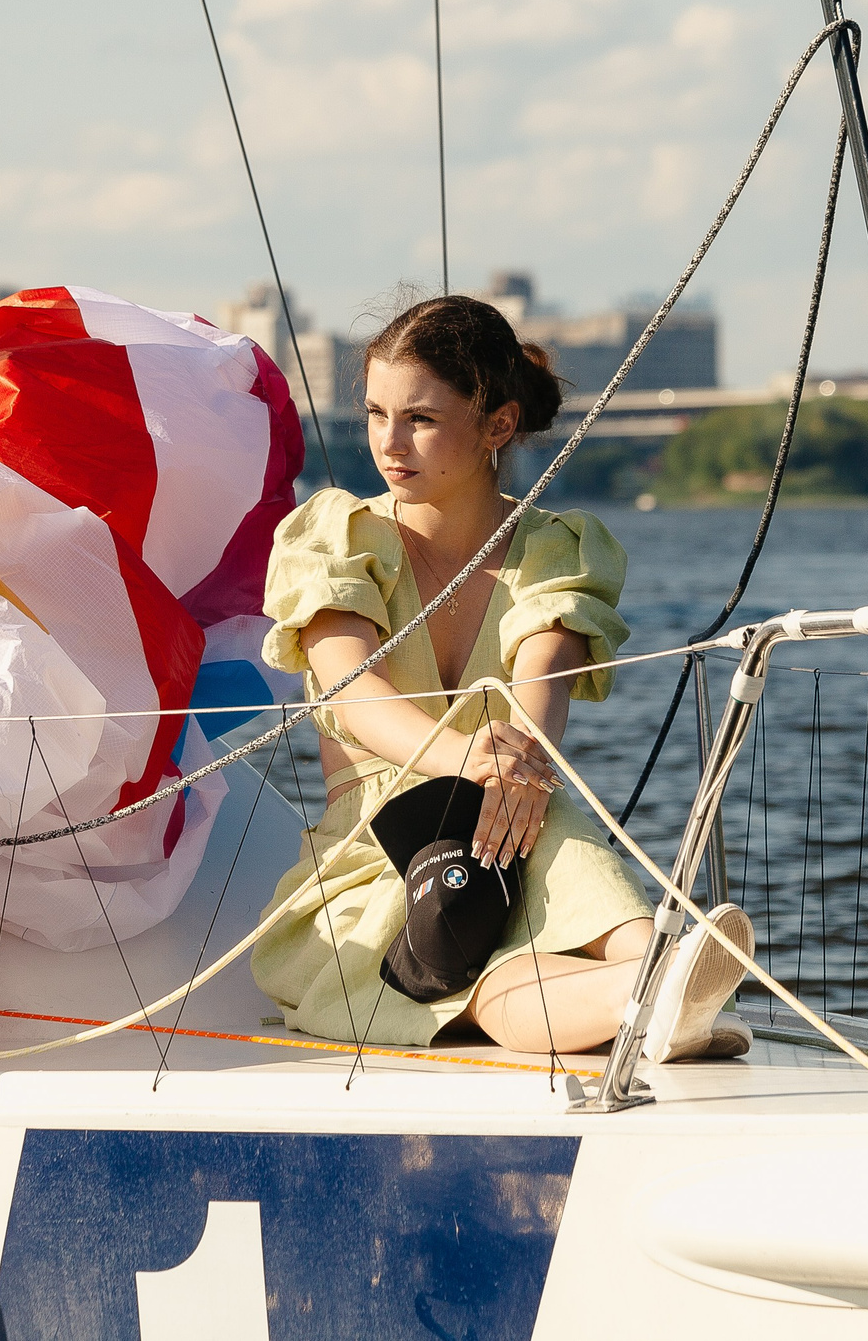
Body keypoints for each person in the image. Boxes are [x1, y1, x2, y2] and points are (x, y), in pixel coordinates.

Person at [252, 293, 754, 1060]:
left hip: (511, 822)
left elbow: (541, 676)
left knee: (549, 832)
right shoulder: (335, 537)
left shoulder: (552, 549)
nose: (389, 441)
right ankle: (655, 988)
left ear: (497, 425)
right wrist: (476, 757)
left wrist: (516, 758)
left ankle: (653, 966)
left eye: (419, 417)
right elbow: (353, 692)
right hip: (375, 855)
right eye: (376, 412)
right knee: (477, 983)